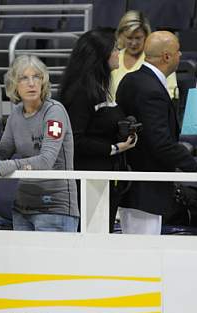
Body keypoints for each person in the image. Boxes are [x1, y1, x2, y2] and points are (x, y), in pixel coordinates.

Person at [0, 55, 79, 232]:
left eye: (36, 77)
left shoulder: (54, 112)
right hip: (22, 208)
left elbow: (45, 161)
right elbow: (3, 152)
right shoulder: (15, 113)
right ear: (14, 85)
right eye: (24, 78)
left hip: (55, 208)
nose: (31, 83)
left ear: (43, 81)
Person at [116, 31, 197, 235]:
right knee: (143, 255)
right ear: (167, 56)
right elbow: (159, 141)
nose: (181, 56)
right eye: (178, 51)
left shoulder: (130, 79)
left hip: (130, 183)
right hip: (147, 189)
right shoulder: (151, 89)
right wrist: (192, 164)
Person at [59, 28, 138, 232]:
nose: (119, 52)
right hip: (86, 181)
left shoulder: (101, 88)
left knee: (102, 237)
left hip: (104, 178)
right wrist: (113, 147)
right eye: (114, 49)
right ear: (99, 56)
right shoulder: (81, 92)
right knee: (90, 240)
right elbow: (74, 139)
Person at [110, 10, 178, 101]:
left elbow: (170, 95)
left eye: (138, 38)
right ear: (121, 36)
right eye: (129, 38)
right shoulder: (113, 58)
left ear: (146, 36)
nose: (133, 43)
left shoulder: (159, 58)